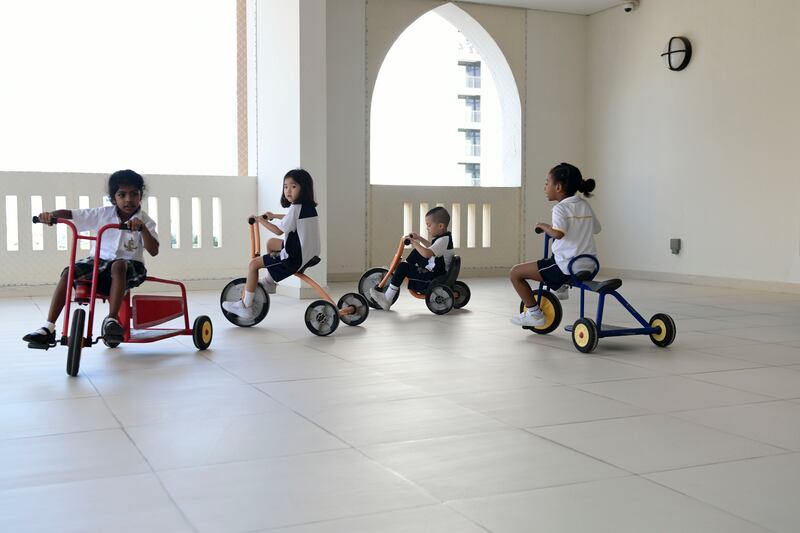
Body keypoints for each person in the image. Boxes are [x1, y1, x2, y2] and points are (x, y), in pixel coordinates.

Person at [23, 169, 159, 344]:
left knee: (119, 265)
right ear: (113, 198)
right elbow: (70, 214)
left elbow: (154, 250)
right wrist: (51, 216)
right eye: (122, 194)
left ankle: (111, 320)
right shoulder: (102, 214)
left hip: (131, 266)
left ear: (140, 196)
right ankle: (48, 327)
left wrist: (142, 228)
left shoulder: (145, 221)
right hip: (99, 263)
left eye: (134, 194)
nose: (128, 199)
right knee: (69, 271)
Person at [510, 162, 600, 327]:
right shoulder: (584, 205)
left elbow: (558, 234)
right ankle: (560, 287)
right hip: (589, 265)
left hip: (565, 267)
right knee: (558, 254)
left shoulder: (560, 208)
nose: (545, 187)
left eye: (547, 183)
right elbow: (597, 228)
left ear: (558, 187)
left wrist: (543, 226)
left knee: (516, 273)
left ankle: (534, 314)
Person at [222, 168, 321, 319]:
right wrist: (273, 215)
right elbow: (290, 218)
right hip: (309, 253)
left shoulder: (295, 208)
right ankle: (269, 282)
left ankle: (245, 306)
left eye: (294, 186)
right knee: (271, 243)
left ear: (304, 188)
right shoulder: (307, 208)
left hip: (294, 258)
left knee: (253, 265)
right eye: (286, 186)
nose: (288, 190)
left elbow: (278, 230)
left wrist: (259, 219)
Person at [370, 206, 454, 311]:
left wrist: (413, 242)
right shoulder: (444, 238)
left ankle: (387, 299)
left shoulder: (443, 240)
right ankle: (399, 272)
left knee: (403, 267)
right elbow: (430, 247)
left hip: (433, 275)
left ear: (440, 226)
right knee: (416, 253)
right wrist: (418, 238)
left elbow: (428, 253)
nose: (427, 228)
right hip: (436, 269)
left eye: (429, 225)